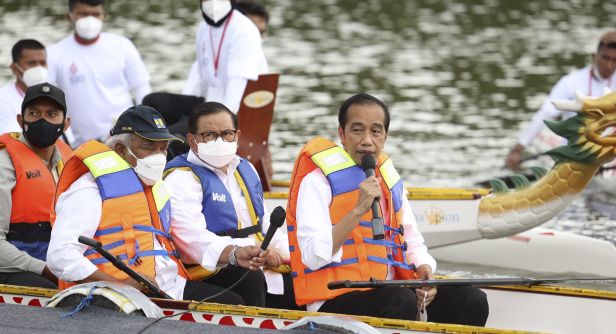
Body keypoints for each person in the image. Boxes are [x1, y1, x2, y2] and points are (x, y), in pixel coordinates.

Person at [286, 93, 488, 325]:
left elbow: (412, 241)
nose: (367, 141)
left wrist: (424, 272)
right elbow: (312, 256)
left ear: (385, 136)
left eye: (376, 131)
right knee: (400, 301)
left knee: (471, 299)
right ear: (342, 134)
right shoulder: (316, 181)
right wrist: (357, 210)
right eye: (357, 130)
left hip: (392, 292)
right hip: (334, 298)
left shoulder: (389, 180)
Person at [47, 105, 267, 303]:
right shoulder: (89, 189)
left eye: (163, 148)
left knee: (242, 291)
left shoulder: (155, 186)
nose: (159, 156)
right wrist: (116, 285)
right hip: (118, 296)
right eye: (148, 147)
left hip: (168, 287)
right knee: (230, 305)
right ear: (121, 151)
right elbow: (60, 255)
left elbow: (189, 237)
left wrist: (233, 253)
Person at [163, 102, 299, 309]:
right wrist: (241, 252)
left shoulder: (246, 168)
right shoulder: (180, 179)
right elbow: (191, 239)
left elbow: (261, 224)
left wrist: (289, 253)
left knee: (305, 278)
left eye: (227, 133)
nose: (219, 140)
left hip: (257, 260)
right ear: (192, 140)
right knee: (248, 276)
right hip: (210, 269)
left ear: (237, 135)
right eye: (209, 135)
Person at [506, 28, 616, 171]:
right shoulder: (571, 81)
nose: (609, 65)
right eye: (605, 58)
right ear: (594, 56)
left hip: (611, 155)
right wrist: (518, 149)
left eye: (615, 60)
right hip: (576, 153)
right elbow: (545, 113)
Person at [47, 0, 152, 147]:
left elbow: (141, 89)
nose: (90, 20)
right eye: (83, 14)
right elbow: (48, 102)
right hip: (79, 144)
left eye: (95, 14)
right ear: (69, 17)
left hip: (124, 137)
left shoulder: (122, 45)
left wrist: (147, 128)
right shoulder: (53, 53)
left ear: (104, 17)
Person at [0, 82, 72, 288]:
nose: (42, 120)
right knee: (56, 293)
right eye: (34, 113)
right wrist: (43, 269)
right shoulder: (4, 162)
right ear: (21, 120)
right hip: (13, 267)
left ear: (65, 124)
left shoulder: (68, 159)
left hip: (57, 262)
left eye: (51, 114)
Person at [181, 0, 268, 113]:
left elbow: (234, 95)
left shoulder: (243, 30)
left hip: (229, 114)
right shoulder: (203, 29)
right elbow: (198, 81)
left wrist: (220, 130)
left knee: (174, 130)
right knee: (154, 101)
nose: (214, 2)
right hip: (208, 103)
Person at [0, 40, 49, 134]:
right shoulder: (3, 101)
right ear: (14, 68)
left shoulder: (53, 94)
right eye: (32, 63)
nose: (39, 68)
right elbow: (11, 141)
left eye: (42, 63)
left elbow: (68, 140)